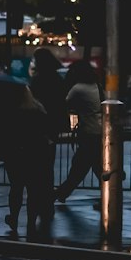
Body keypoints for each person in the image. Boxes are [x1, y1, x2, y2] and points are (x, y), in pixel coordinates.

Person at [3, 85, 52, 241]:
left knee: (16, 188)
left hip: (16, 154)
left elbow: (7, 133)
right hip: (36, 153)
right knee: (33, 190)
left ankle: (14, 218)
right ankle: (31, 221)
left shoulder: (12, 110)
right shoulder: (38, 108)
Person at [27, 47, 67, 229]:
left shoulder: (36, 82)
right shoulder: (58, 80)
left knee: (35, 170)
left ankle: (35, 207)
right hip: (52, 129)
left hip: (36, 129)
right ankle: (47, 206)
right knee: (47, 169)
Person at [53, 60, 103, 202]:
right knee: (94, 167)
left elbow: (64, 103)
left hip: (89, 132)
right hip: (100, 132)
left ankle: (61, 193)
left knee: (80, 166)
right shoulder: (97, 86)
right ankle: (63, 193)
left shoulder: (78, 88)